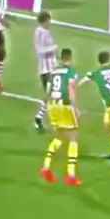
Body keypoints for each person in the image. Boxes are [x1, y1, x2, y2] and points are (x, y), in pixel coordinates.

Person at [40, 48, 80, 186]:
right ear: (70, 58)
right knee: (73, 136)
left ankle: (46, 166)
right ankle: (71, 174)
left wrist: (45, 108)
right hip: (65, 105)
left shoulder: (53, 72)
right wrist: (75, 108)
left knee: (58, 136)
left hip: (52, 105)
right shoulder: (71, 71)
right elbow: (70, 89)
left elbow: (47, 92)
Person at [33, 10, 58, 131]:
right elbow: (41, 50)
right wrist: (54, 47)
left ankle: (41, 118)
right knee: (51, 95)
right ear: (45, 21)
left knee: (53, 95)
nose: (50, 23)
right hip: (46, 70)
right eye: (49, 21)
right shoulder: (41, 33)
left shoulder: (43, 32)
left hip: (51, 69)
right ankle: (41, 118)